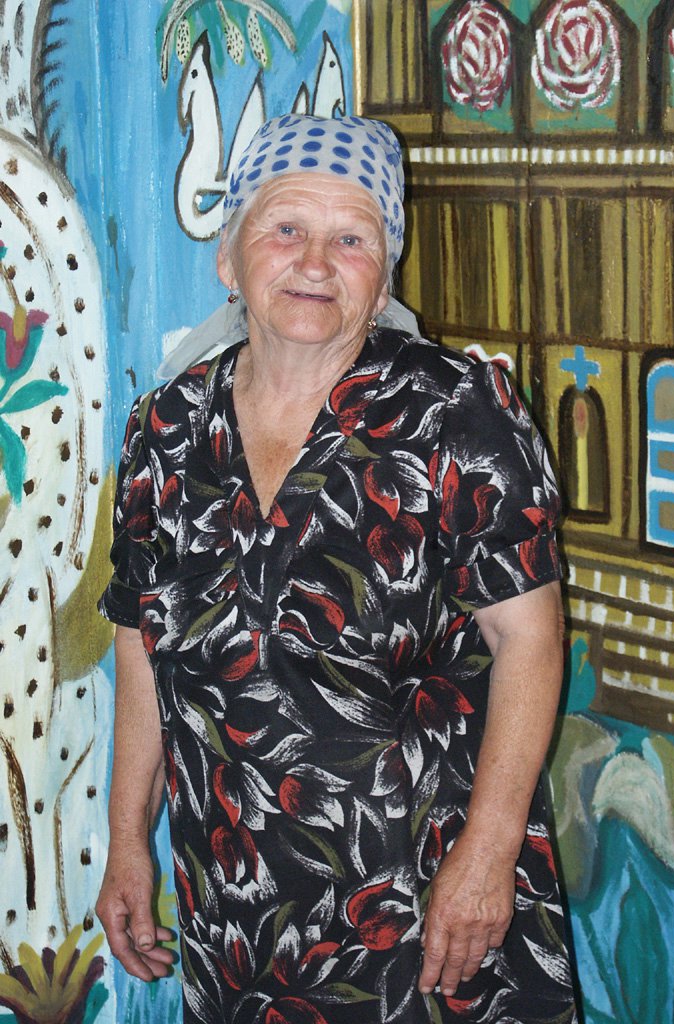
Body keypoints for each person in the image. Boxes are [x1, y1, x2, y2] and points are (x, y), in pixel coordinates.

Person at [96, 113, 576, 1024]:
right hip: (236, 902)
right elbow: (139, 645)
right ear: (230, 256)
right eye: (286, 228)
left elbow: (530, 638)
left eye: (351, 239)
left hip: (426, 893)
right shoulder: (165, 428)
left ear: (382, 277)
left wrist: (489, 854)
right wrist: (128, 842)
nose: (315, 263)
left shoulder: (456, 410)